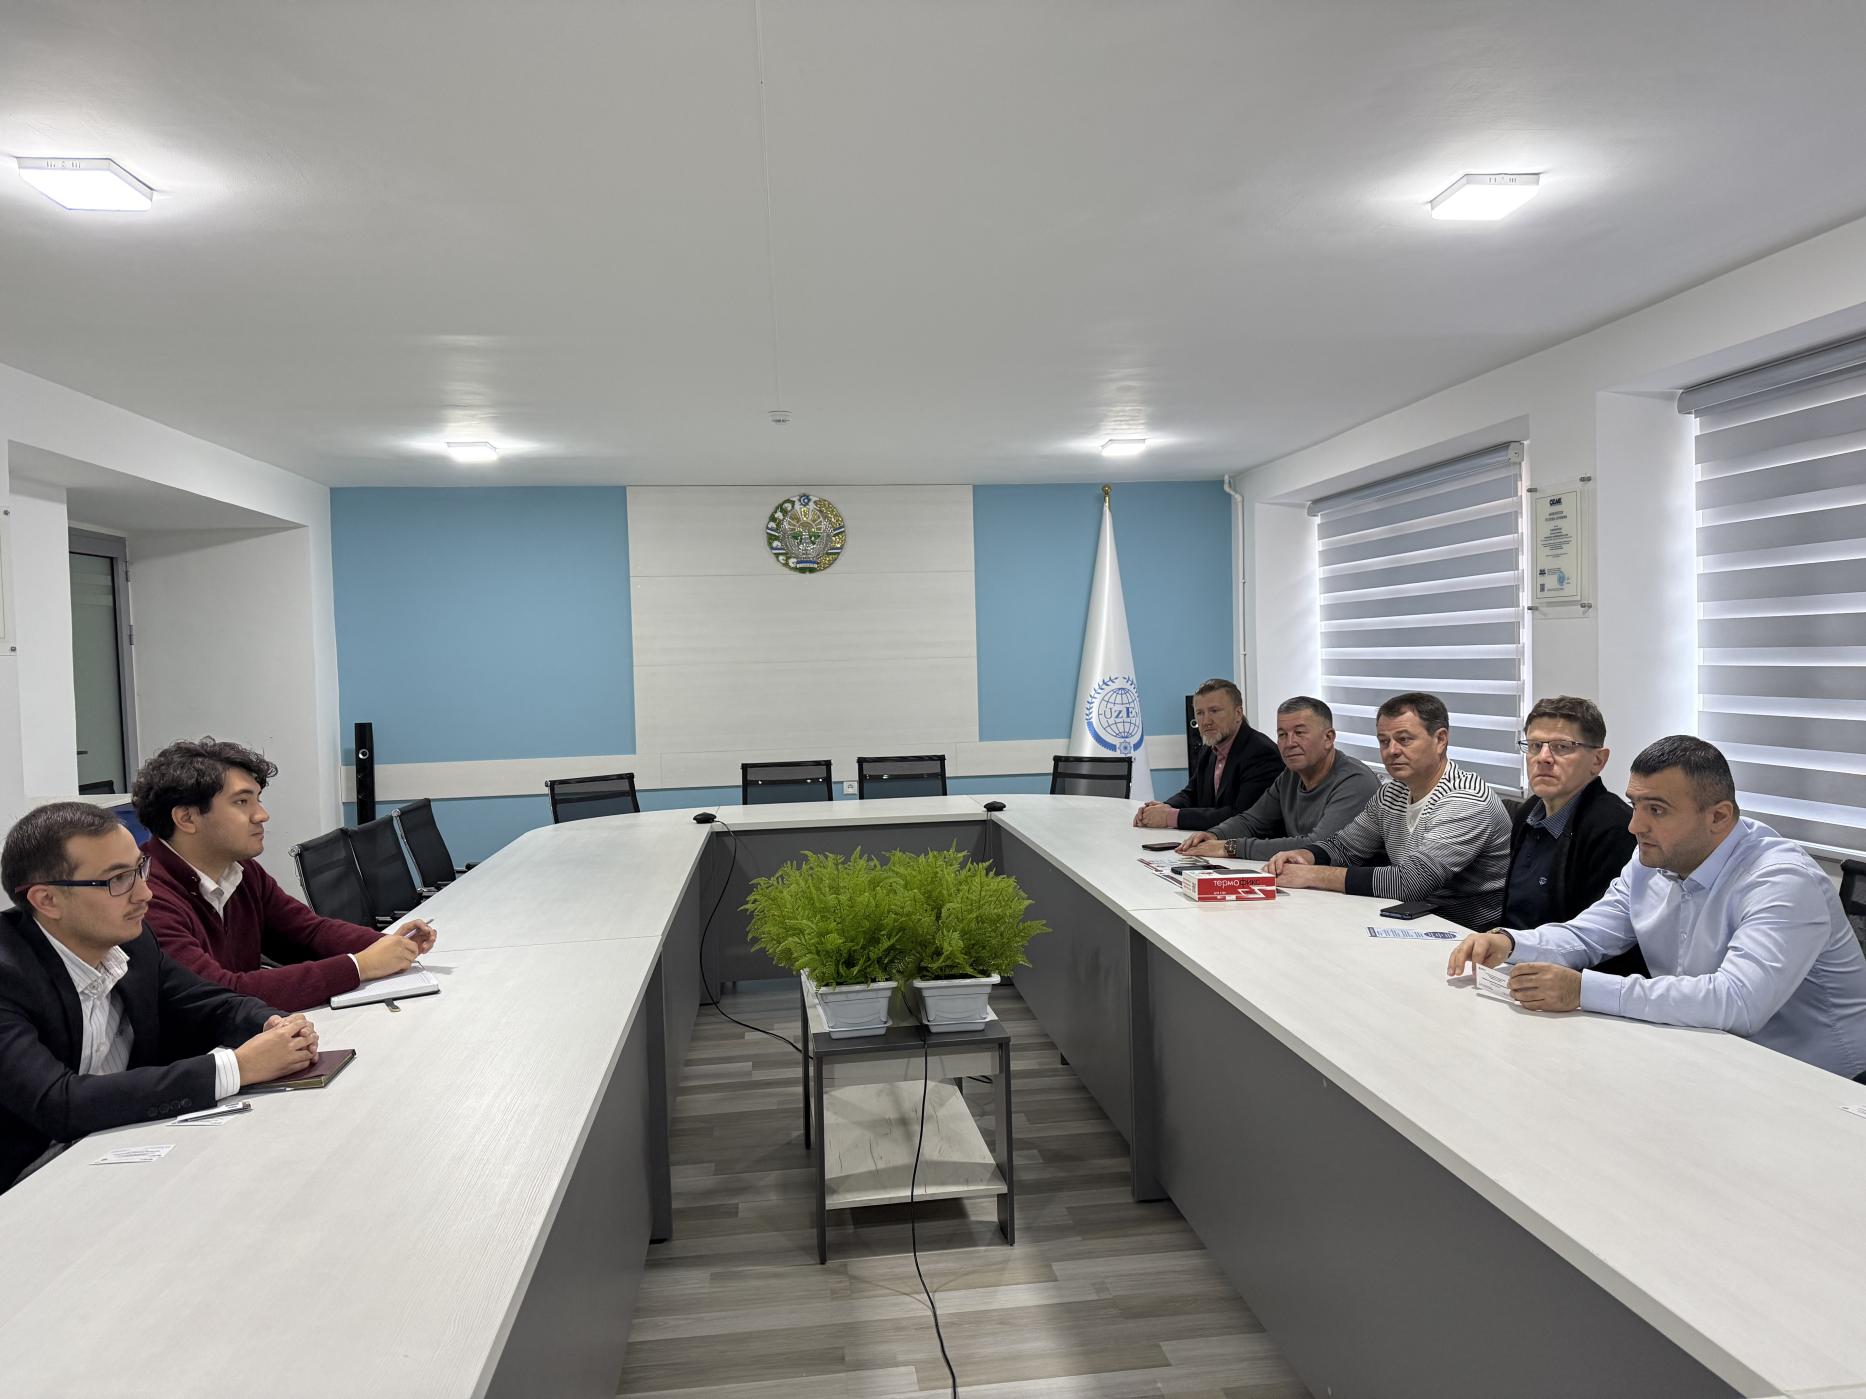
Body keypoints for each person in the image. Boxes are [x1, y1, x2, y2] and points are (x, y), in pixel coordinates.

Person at [1447, 736, 1866, 1080]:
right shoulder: (1656, 857)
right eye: (1635, 805)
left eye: (1657, 810)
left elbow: (1738, 1001)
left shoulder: (1782, 881)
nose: (1635, 826)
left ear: (1719, 817)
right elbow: (1589, 934)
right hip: (1705, 1052)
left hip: (1814, 1081)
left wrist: (1582, 990)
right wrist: (1510, 943)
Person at [0, 802, 320, 1190]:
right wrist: (238, 1067)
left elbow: (208, 1003)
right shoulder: (9, 974)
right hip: (26, 1182)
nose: (145, 893)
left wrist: (272, 1025)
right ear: (47, 900)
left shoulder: (132, 943)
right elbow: (59, 1103)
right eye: (118, 879)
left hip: (116, 1148)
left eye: (140, 869)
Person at [134, 738, 439, 1013]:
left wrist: (391, 944)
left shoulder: (241, 870)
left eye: (258, 800)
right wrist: (359, 966)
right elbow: (220, 993)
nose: (261, 815)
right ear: (187, 818)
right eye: (242, 802)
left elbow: (307, 933)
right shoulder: (146, 897)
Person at [1265, 691, 1510, 929]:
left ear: (1440, 740)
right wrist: (1305, 855)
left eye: (1404, 740)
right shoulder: (1392, 792)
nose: (1391, 751)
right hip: (1410, 918)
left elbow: (1412, 882)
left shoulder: (1466, 801)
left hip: (1468, 933)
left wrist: (1312, 875)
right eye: (1384, 741)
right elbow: (1345, 847)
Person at [1502, 696, 1644, 976]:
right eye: (1535, 746)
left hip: (1569, 980)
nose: (1543, 758)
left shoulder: (1615, 827)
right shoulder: (1528, 812)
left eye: (1561, 747)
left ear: (1598, 760)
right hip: (1510, 961)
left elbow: (1599, 941)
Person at [1175, 696, 1380, 860]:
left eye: (1299, 733)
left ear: (1328, 738)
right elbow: (1252, 820)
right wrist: (1215, 834)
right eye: (1282, 734)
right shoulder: (1290, 775)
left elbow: (1318, 847)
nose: (1289, 743)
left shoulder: (1354, 781)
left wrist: (1231, 847)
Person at [1133, 679, 1282, 831]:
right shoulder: (1209, 749)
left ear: (1238, 713)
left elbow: (1242, 816)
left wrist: (1169, 817)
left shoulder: (1261, 752)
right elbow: (1192, 793)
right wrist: (1163, 807)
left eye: (1214, 711)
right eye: (1200, 713)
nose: (1206, 721)